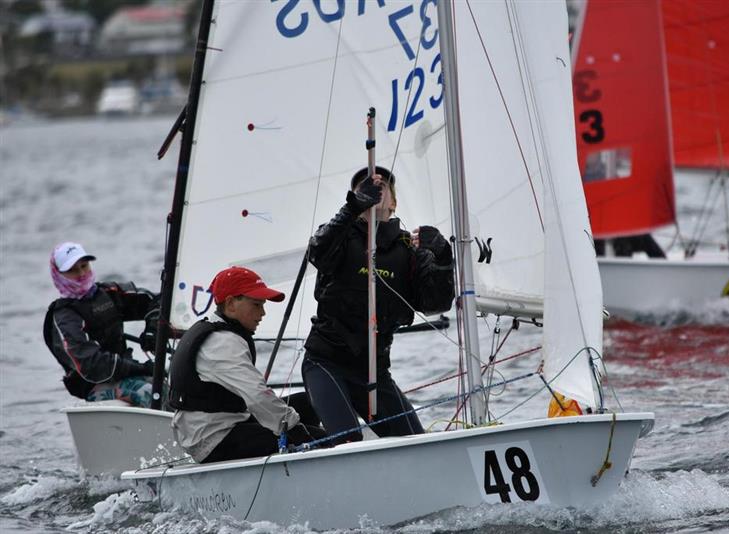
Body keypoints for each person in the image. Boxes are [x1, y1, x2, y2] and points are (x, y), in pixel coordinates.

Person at [302, 166, 455, 444]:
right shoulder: (339, 237)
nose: (375, 186)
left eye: (383, 185)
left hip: (374, 371)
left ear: (393, 203)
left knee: (417, 445)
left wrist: (444, 258)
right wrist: (351, 209)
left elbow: (436, 303)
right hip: (326, 363)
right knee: (349, 442)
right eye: (365, 185)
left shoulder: (408, 251)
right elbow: (318, 252)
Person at [169, 266, 324, 463]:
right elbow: (258, 395)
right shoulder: (221, 343)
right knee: (319, 439)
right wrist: (297, 430)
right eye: (256, 305)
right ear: (231, 303)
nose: (263, 313)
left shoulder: (217, 332)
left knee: (308, 404)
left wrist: (294, 424)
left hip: (223, 425)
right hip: (214, 440)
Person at [43, 242, 158, 407]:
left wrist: (152, 328)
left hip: (129, 374)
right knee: (152, 393)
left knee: (177, 387)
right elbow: (92, 364)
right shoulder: (62, 316)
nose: (82, 273)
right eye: (73, 270)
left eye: (84, 266)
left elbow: (157, 301)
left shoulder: (108, 293)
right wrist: (141, 368)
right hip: (96, 386)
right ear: (59, 275)